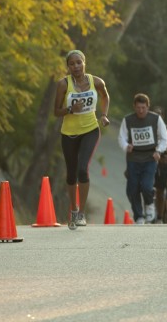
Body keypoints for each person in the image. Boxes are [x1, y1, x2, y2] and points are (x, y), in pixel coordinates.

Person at [54, 49, 110, 230]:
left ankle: (81, 213)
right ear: (68, 67)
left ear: (84, 63)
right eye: (72, 64)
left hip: (90, 130)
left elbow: (105, 96)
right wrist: (71, 110)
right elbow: (56, 112)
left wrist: (104, 115)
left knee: (82, 169)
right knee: (71, 174)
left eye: (79, 62)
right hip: (69, 133)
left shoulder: (97, 82)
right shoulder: (63, 84)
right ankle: (73, 207)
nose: (76, 66)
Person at [118, 93, 167, 224]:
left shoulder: (155, 119)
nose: (141, 110)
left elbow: (164, 138)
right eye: (138, 107)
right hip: (133, 157)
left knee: (147, 185)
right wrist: (125, 146)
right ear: (134, 107)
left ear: (148, 107)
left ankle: (149, 204)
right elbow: (121, 137)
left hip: (150, 157)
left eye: (143, 108)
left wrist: (159, 150)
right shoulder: (128, 120)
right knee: (132, 188)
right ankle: (139, 216)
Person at [152, 106, 167, 224]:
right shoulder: (148, 128)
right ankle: (147, 213)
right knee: (147, 189)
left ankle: (160, 217)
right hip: (149, 161)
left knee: (160, 191)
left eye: (159, 115)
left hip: (164, 164)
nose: (157, 117)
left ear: (163, 116)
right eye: (154, 114)